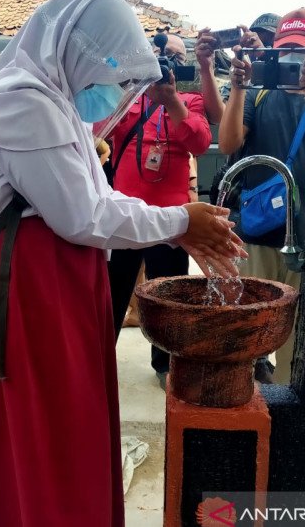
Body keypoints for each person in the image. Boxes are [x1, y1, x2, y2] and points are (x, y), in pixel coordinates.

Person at [0, 0, 245, 524]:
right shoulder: (25, 105)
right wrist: (180, 222)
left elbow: (100, 200)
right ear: (72, 49)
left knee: (69, 416)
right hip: (29, 286)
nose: (112, 87)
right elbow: (82, 216)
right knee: (43, 423)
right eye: (109, 69)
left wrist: (179, 224)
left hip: (57, 275)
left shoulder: (55, 104)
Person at [218, 7, 305, 384]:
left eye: (302, 50)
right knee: (244, 329)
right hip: (258, 233)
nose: (292, 58)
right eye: (285, 49)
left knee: (296, 341)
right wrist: (237, 88)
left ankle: (283, 417)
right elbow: (228, 142)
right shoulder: (258, 94)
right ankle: (240, 408)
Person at [107, 32, 213, 389]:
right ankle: (98, 359)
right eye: (161, 54)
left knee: (168, 298)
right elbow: (100, 126)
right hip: (123, 218)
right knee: (110, 295)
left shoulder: (189, 99)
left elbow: (199, 141)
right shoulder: (127, 96)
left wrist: (171, 102)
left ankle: (166, 364)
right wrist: (130, 80)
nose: (168, 62)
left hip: (171, 222)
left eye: (176, 57)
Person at [196, 13, 280, 123]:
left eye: (269, 45)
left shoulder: (297, 79)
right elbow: (219, 117)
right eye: (251, 42)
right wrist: (206, 67)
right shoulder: (240, 77)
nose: (259, 47)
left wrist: (265, 56)